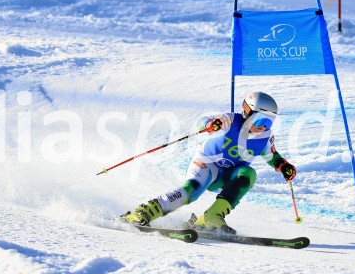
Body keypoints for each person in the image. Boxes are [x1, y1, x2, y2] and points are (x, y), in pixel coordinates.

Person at [122, 92, 297, 234]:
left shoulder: (265, 137)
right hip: (206, 164)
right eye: (261, 120)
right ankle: (142, 213)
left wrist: (284, 166)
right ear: (247, 112)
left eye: (269, 122)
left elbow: (272, 157)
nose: (264, 127)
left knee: (249, 174)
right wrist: (211, 124)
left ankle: (211, 217)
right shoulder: (230, 121)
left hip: (228, 175)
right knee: (191, 192)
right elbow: (201, 122)